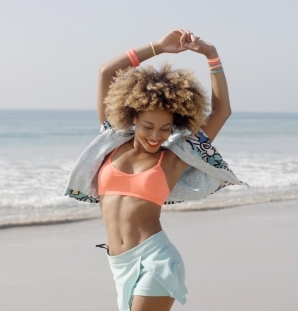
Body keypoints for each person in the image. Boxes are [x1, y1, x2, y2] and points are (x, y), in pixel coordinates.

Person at [64, 28, 246, 311]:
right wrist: (158, 47)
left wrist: (212, 56)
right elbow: (105, 72)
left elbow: (221, 112)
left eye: (165, 129)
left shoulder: (175, 157)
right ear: (133, 116)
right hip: (119, 264)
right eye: (148, 126)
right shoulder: (110, 141)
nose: (155, 136)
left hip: (156, 259)